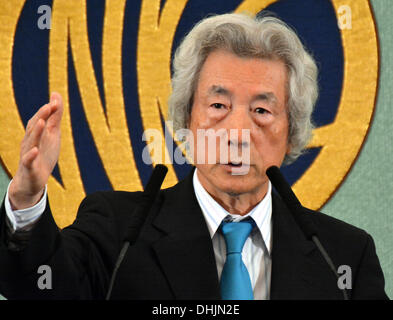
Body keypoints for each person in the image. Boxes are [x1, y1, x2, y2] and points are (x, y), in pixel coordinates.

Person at [0, 13, 388, 300]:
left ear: (292, 133)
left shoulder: (342, 257)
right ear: (186, 121)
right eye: (218, 105)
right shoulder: (118, 235)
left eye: (262, 111)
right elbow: (41, 287)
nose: (237, 132)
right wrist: (27, 200)